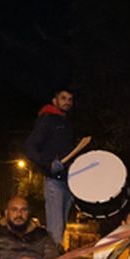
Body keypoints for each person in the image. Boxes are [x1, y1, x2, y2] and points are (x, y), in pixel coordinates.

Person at [23, 88, 91, 248]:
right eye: (63, 98)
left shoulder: (67, 123)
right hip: (55, 180)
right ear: (55, 101)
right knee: (55, 229)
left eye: (70, 99)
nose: (67, 102)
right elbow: (30, 147)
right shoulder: (47, 119)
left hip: (69, 179)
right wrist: (48, 164)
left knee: (61, 228)